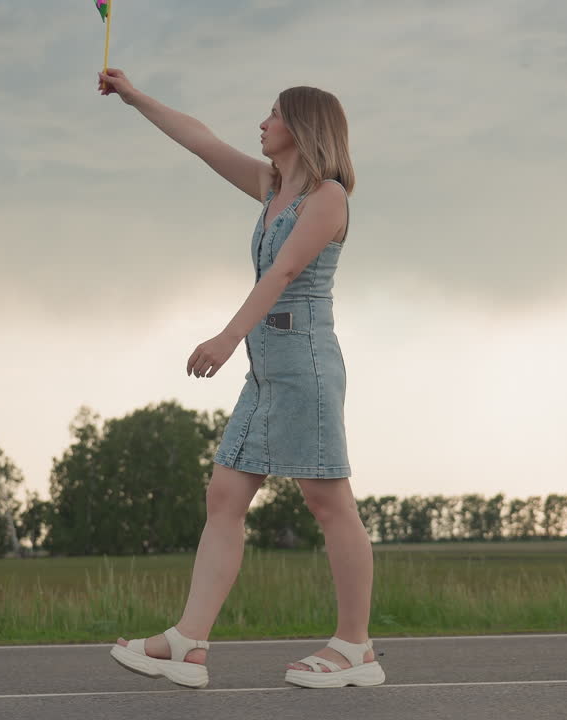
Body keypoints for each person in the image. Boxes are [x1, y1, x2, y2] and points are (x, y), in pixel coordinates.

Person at [97, 67, 383, 690]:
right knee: (225, 497)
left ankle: (356, 648)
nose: (261, 122)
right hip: (265, 370)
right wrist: (133, 95)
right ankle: (187, 643)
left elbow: (280, 274)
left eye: (273, 114)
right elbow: (199, 140)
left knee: (328, 502)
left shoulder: (328, 197)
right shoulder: (269, 186)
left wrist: (226, 338)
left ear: (301, 126)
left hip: (304, 364)